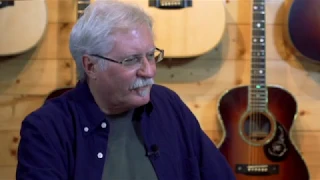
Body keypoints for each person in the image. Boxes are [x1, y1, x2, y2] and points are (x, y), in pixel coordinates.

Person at [16, 1, 235, 179]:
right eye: (131, 60)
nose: (149, 71)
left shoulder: (169, 105)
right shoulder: (46, 128)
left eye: (151, 56)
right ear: (91, 66)